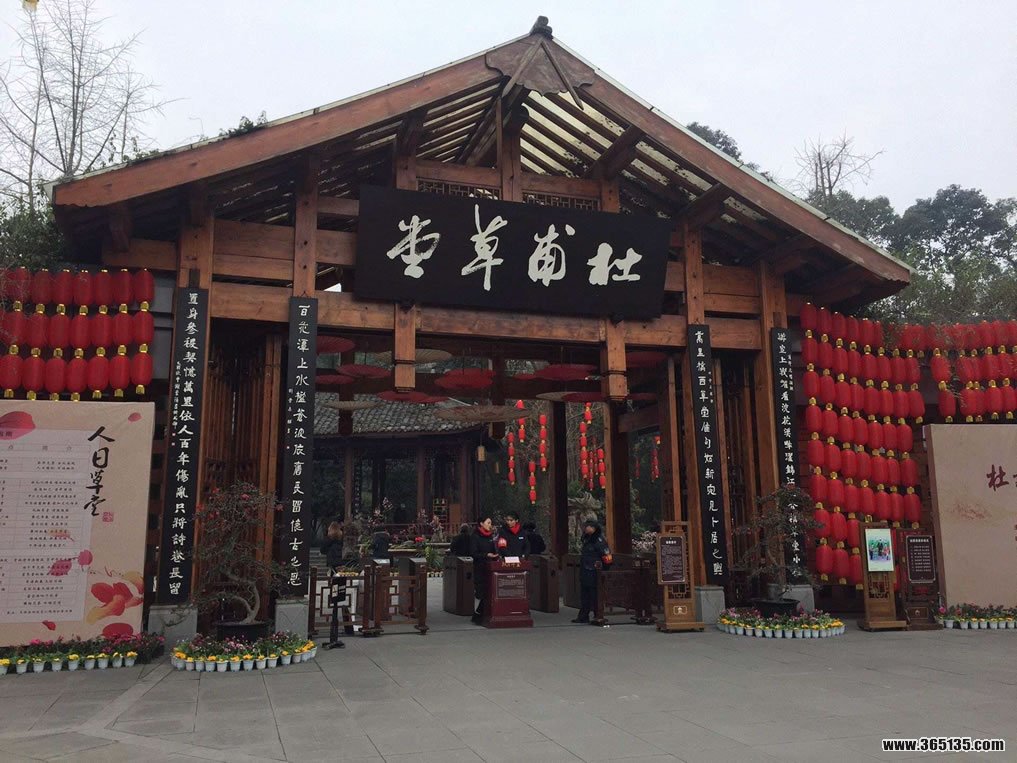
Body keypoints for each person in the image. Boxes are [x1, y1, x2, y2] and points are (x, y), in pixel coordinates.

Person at [573, 519, 612, 624]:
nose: (585, 528)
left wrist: (604, 570)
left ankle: (597, 615)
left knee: (595, 595)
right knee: (585, 595)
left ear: (593, 528)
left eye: (587, 526)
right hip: (585, 571)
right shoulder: (587, 539)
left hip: (595, 572)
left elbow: (607, 557)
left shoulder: (599, 540)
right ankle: (583, 616)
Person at [319, 521, 347, 649]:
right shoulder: (340, 539)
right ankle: (335, 633)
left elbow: (322, 550)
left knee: (333, 592)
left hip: (332, 567)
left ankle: (333, 635)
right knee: (339, 593)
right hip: (340, 566)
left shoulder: (328, 539)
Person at [469, 516, 499, 624]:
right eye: (488, 523)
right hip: (480, 568)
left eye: (491, 523)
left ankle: (481, 615)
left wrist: (495, 555)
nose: (490, 525)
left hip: (490, 568)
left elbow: (493, 550)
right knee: (481, 593)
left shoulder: (490, 536)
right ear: (481, 523)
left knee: (489, 592)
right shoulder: (475, 536)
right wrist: (486, 555)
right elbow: (473, 553)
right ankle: (478, 615)